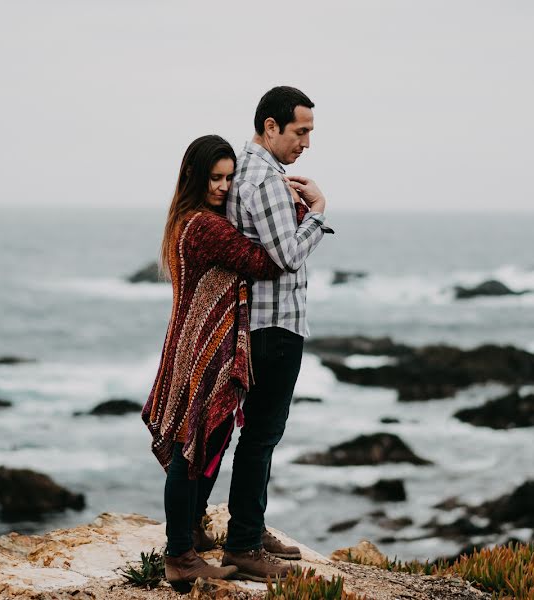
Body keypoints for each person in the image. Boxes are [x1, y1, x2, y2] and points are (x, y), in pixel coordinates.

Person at [141, 134, 311, 592]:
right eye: (215, 178)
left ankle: (190, 537)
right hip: (204, 354)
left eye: (229, 177)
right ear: (194, 179)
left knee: (204, 447)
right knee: (191, 452)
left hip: (193, 349)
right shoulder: (204, 227)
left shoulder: (188, 221)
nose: (224, 186)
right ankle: (180, 556)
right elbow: (266, 261)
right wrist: (306, 212)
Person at [221, 86, 333, 582]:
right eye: (300, 131)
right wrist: (320, 212)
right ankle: (244, 543)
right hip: (274, 325)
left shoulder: (261, 175)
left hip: (265, 323)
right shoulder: (264, 179)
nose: (306, 143)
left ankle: (249, 527)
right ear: (271, 127)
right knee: (262, 435)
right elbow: (287, 255)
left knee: (258, 435)